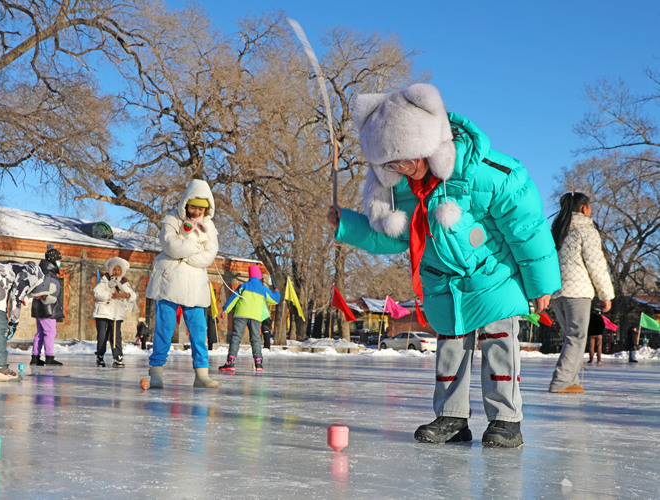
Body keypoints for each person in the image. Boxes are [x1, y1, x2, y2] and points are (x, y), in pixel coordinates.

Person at [326, 83, 560, 448]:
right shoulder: (402, 187)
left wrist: (540, 283)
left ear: (426, 145)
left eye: (406, 159)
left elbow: (526, 226)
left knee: (500, 345)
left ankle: (505, 420)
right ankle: (451, 417)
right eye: (392, 164)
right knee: (450, 348)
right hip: (443, 284)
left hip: (492, 276)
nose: (403, 169)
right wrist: (347, 223)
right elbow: (393, 235)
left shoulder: (484, 171)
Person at [145, 179, 219, 389]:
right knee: (164, 328)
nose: (196, 212)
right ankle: (156, 371)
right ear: (185, 203)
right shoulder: (171, 219)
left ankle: (201, 374)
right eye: (193, 206)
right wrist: (196, 245)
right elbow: (170, 246)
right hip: (170, 282)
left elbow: (210, 254)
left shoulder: (210, 227)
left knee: (198, 330)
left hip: (195, 285)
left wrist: (187, 255)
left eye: (201, 208)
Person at [548, 192, 614, 393]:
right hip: (577, 291)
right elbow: (596, 264)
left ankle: (572, 379)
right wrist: (606, 294)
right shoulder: (586, 230)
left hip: (557, 293)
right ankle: (561, 380)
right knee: (576, 336)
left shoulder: (557, 230)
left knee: (571, 336)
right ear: (585, 208)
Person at [0, 260, 58, 381]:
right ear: (44, 288)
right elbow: (16, 297)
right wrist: (14, 322)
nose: (38, 298)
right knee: (0, 328)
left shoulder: (27, 270)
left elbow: (16, 291)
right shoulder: (34, 275)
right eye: (42, 296)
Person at [218, 265, 280, 372]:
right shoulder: (263, 289)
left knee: (236, 337)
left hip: (240, 314)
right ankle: (259, 363)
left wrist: (225, 310)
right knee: (255, 338)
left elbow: (233, 298)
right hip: (255, 316)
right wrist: (277, 292)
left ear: (250, 275)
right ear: (259, 277)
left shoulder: (243, 286)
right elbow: (275, 300)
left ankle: (230, 362)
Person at [92, 256, 137, 367]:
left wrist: (125, 294)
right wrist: (110, 295)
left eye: (119, 270)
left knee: (116, 335)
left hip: (117, 314)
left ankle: (118, 356)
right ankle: (100, 355)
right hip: (103, 312)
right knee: (102, 335)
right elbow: (97, 292)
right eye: (114, 269)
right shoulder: (104, 280)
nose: (116, 272)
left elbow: (133, 295)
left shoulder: (124, 282)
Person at [30, 245, 65, 366]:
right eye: (59, 260)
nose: (60, 263)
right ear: (54, 261)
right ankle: (49, 357)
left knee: (40, 332)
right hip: (47, 307)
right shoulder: (48, 273)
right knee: (50, 332)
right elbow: (45, 292)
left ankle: (35, 357)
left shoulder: (42, 271)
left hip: (40, 307)